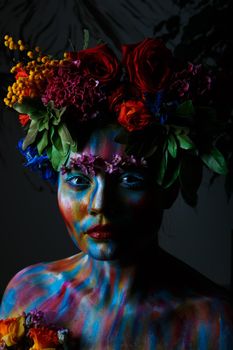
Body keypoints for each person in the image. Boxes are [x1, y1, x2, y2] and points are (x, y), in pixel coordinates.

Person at [0, 35, 232, 349]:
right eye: (79, 181)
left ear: (168, 189)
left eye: (130, 181)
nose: (100, 205)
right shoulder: (28, 295)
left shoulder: (211, 324)